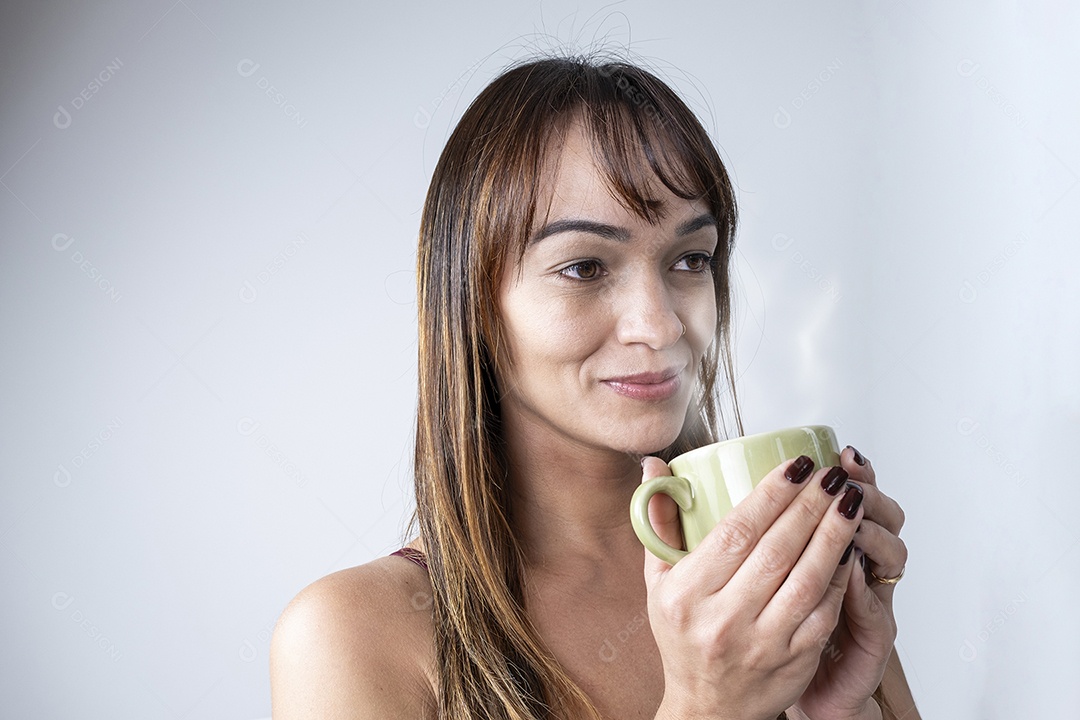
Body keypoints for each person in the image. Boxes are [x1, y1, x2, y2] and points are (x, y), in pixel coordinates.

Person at [269, 54, 919, 720]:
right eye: (584, 267)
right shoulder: (350, 634)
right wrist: (707, 708)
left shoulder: (777, 587)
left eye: (690, 259)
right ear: (475, 308)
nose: (661, 324)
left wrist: (839, 709)